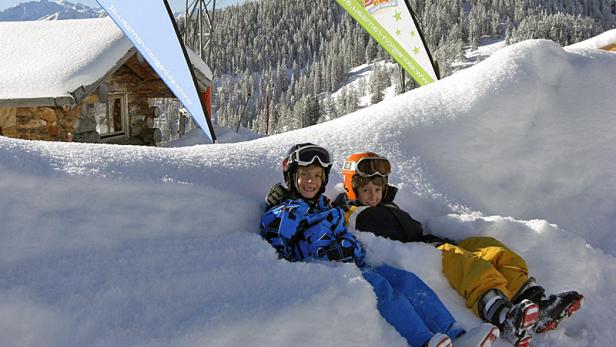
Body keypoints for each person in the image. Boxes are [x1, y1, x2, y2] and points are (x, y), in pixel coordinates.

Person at [334, 152, 584, 347]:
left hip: (431, 241)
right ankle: (502, 315)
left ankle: (532, 302)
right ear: (350, 186)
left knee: (491, 249)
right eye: (366, 190)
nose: (372, 196)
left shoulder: (390, 206)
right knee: (471, 266)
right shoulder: (350, 214)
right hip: (419, 253)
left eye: (378, 190)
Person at [261, 143, 499, 347]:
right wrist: (285, 207)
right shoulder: (284, 211)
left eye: (316, 176)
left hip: (352, 264)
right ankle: (424, 340)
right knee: (382, 289)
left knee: (406, 280)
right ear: (291, 176)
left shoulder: (326, 208)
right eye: (304, 175)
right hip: (325, 271)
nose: (310, 181)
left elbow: (344, 233)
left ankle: (456, 333)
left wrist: (349, 247)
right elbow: (276, 247)